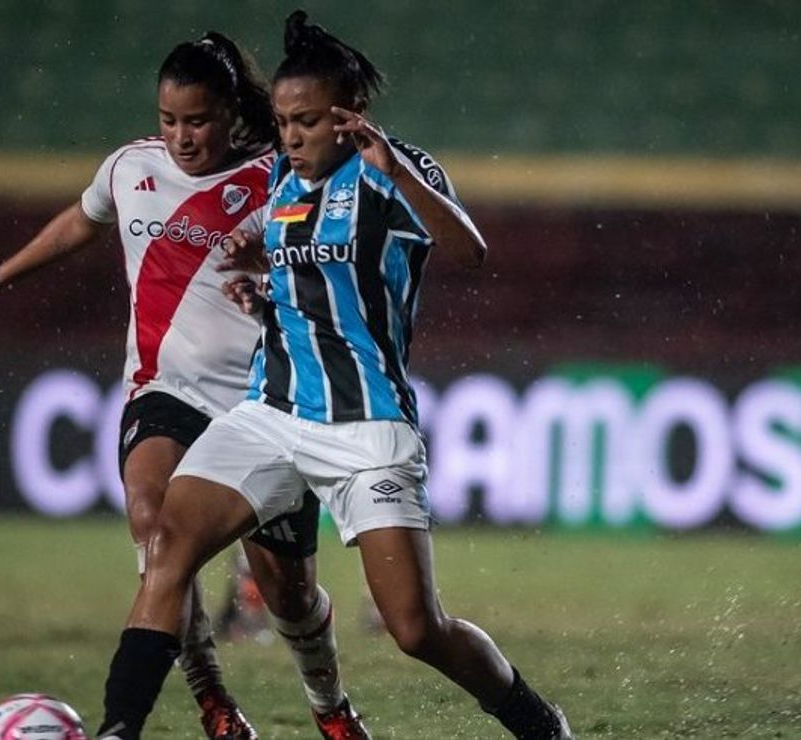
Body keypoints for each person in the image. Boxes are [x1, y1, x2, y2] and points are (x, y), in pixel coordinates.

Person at [94, 11, 574, 740]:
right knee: (167, 545)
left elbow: (468, 249)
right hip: (271, 414)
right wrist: (260, 278)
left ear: (351, 117)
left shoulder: (393, 174)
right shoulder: (284, 175)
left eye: (308, 121)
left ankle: (540, 723)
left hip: (364, 425)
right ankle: (118, 729)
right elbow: (284, 252)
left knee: (416, 627)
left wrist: (396, 172)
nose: (290, 136)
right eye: (284, 120)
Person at [0, 32, 367, 740]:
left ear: (231, 111)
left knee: (290, 597)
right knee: (153, 524)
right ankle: (211, 700)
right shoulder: (129, 167)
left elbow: (326, 268)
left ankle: (330, 708)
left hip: (264, 404)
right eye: (169, 120)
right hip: (164, 391)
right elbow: (83, 220)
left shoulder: (281, 177)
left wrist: (269, 294)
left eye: (196, 120)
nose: (180, 137)